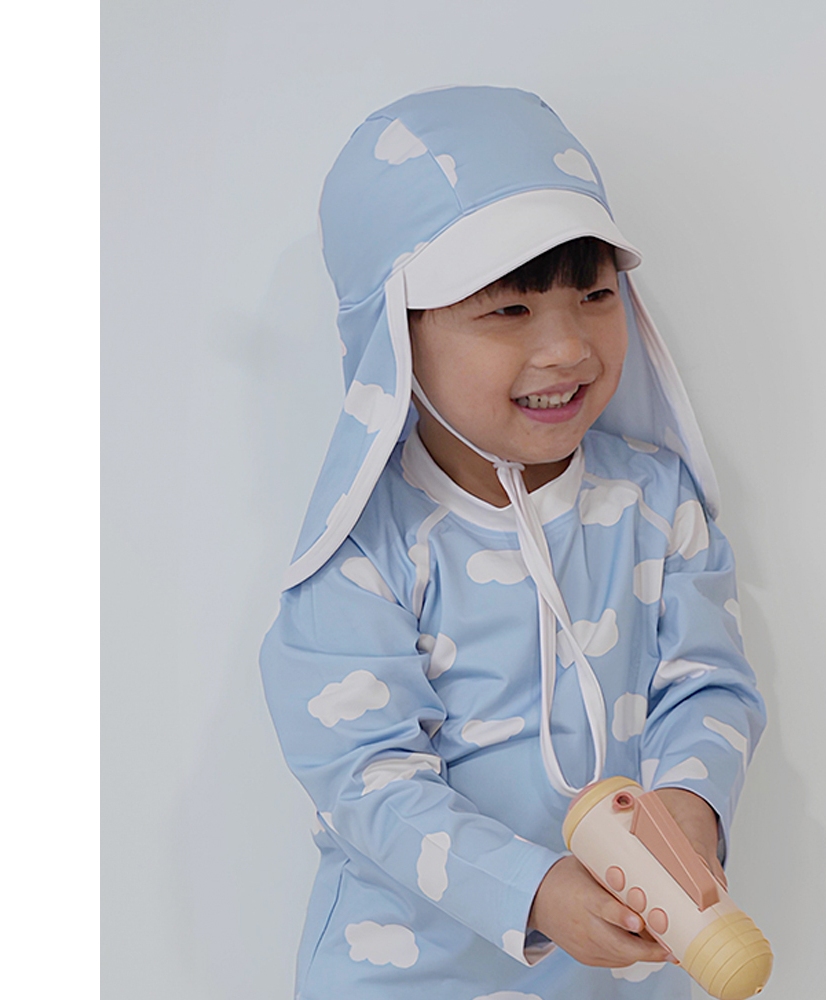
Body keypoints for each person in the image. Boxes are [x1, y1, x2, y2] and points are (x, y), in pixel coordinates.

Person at [260, 85, 766, 1000]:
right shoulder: (367, 552)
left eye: (595, 294)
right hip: (406, 975)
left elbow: (707, 684)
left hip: (619, 963)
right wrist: (534, 892)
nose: (567, 347)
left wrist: (688, 810)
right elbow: (367, 778)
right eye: (509, 311)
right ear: (396, 339)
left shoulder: (656, 503)